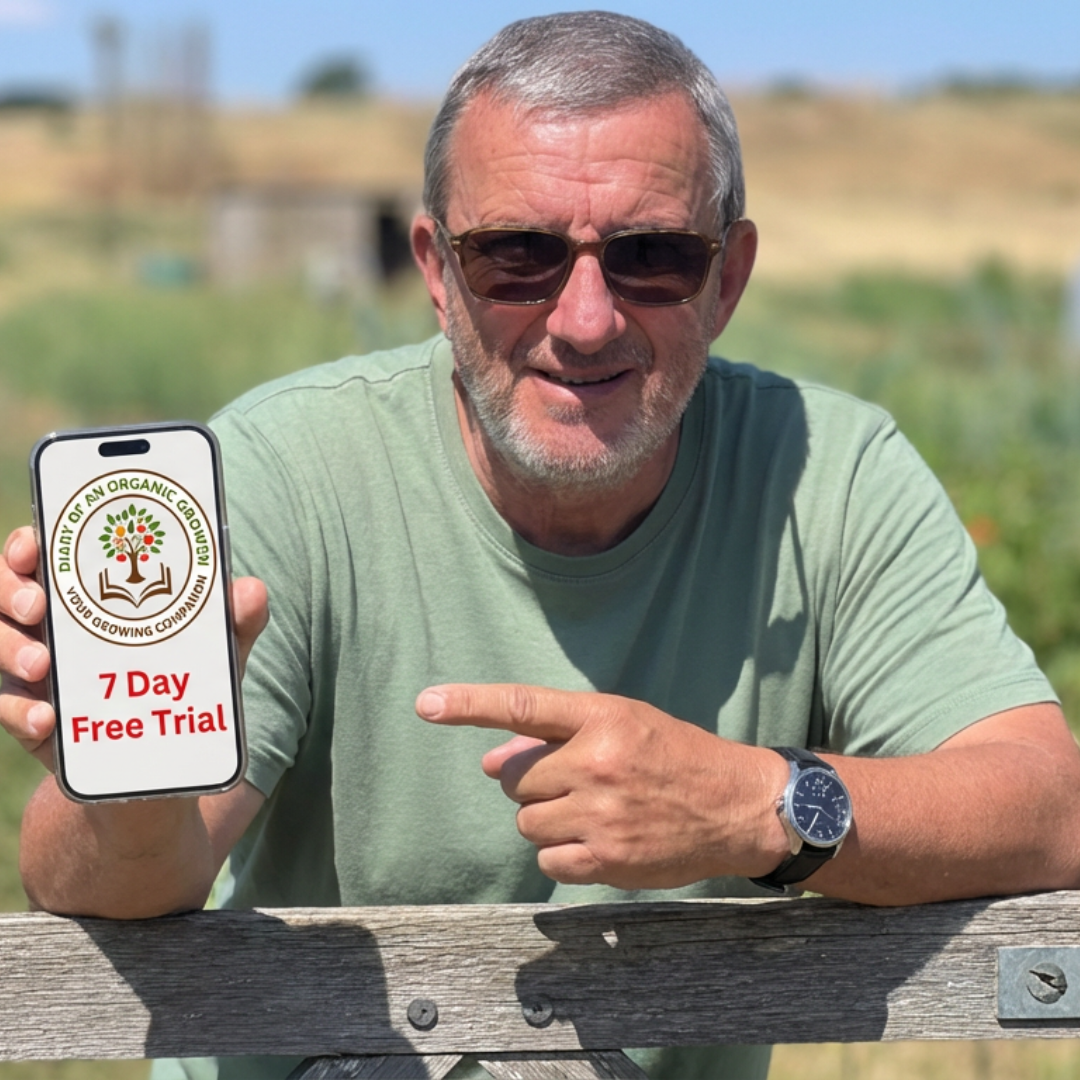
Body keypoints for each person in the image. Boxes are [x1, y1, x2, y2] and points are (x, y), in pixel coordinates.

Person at [2, 12, 1080, 1080]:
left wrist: (755, 805)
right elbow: (88, 878)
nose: (586, 317)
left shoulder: (827, 471)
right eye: (516, 255)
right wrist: (127, 792)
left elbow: (1049, 805)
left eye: (650, 255)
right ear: (436, 270)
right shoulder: (289, 469)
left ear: (728, 277)